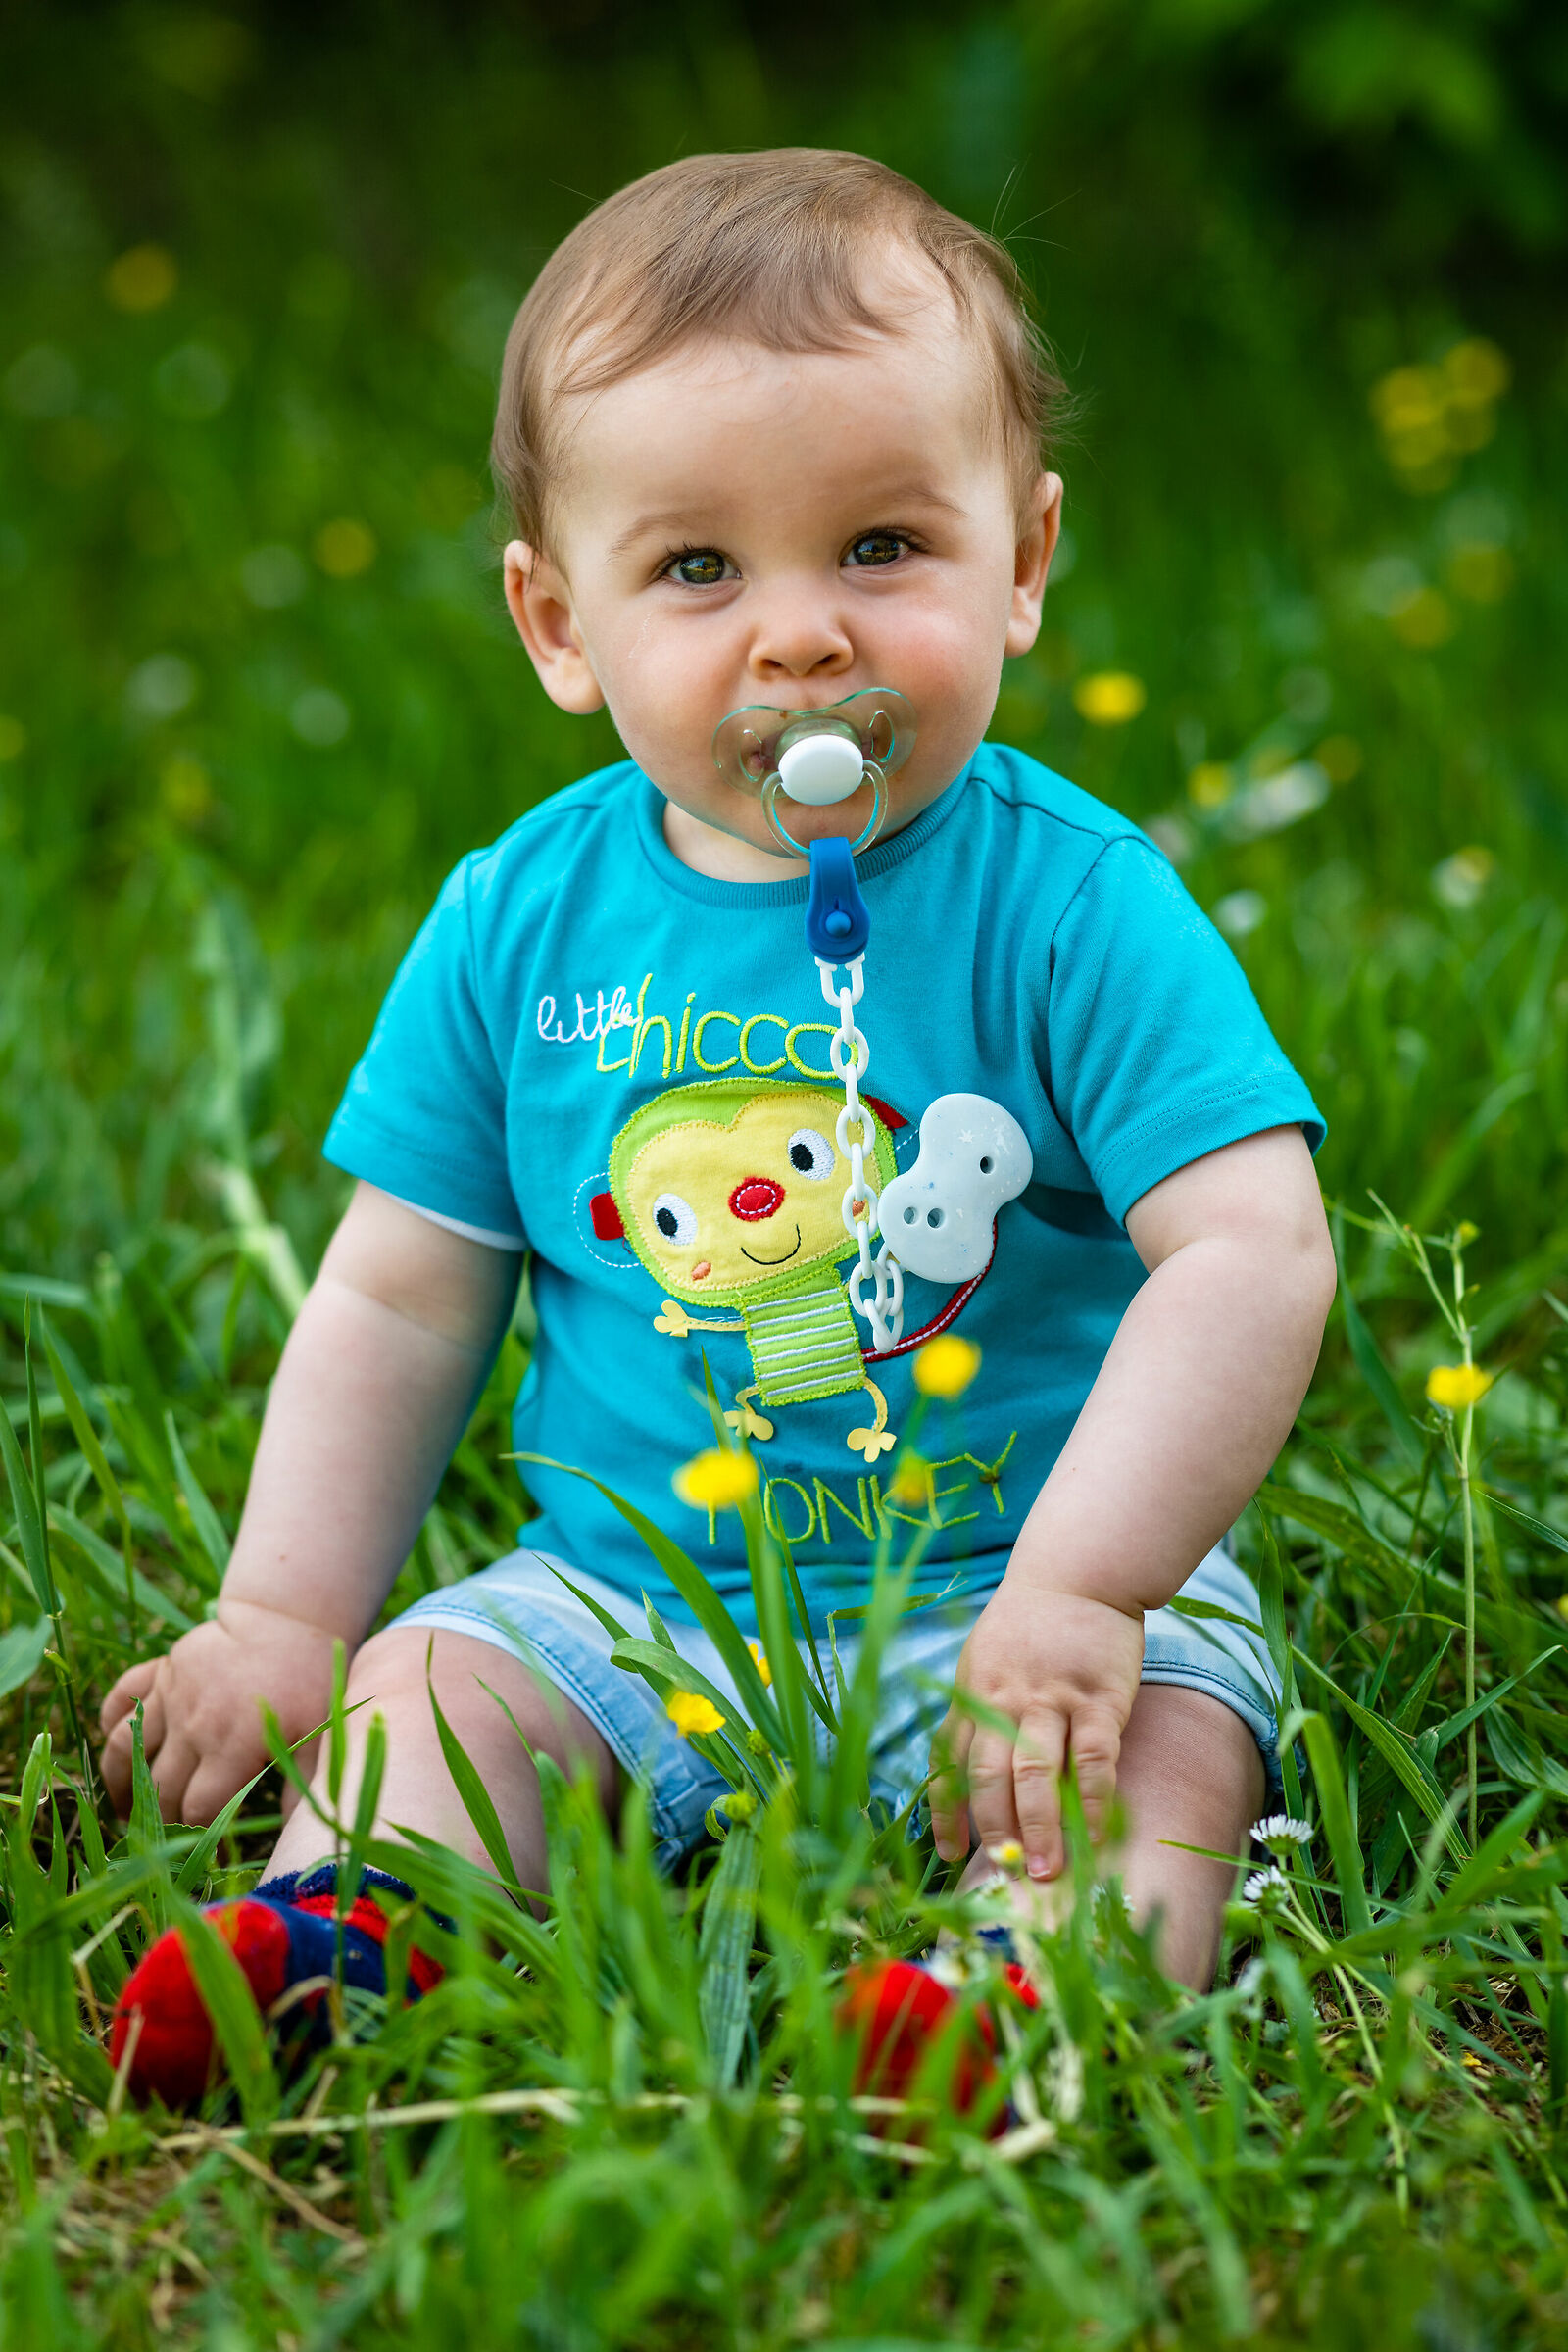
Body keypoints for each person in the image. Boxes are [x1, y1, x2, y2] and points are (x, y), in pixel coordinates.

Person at [100, 149, 1335, 2108]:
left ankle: (1031, 1994)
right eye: (695, 570)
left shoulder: (1075, 903)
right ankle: (348, 1923)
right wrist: (282, 1613)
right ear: (554, 622)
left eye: (877, 549)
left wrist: (1091, 1587)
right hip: (624, 1594)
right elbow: (403, 1300)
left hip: (1022, 1582)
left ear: (1020, 558)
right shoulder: (519, 920)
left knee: (1163, 1765)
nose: (797, 640)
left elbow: (1249, 1248)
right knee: (430, 1692)